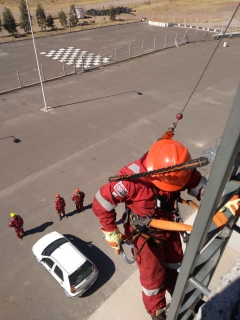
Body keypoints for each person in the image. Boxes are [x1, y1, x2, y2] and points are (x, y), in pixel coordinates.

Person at [92, 138, 207, 320]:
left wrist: (217, 196)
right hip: (144, 236)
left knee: (176, 266)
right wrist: (111, 231)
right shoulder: (131, 181)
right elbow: (101, 202)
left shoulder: (176, 168)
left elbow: (197, 183)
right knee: (153, 278)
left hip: (169, 228)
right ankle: (157, 311)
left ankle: (183, 297)